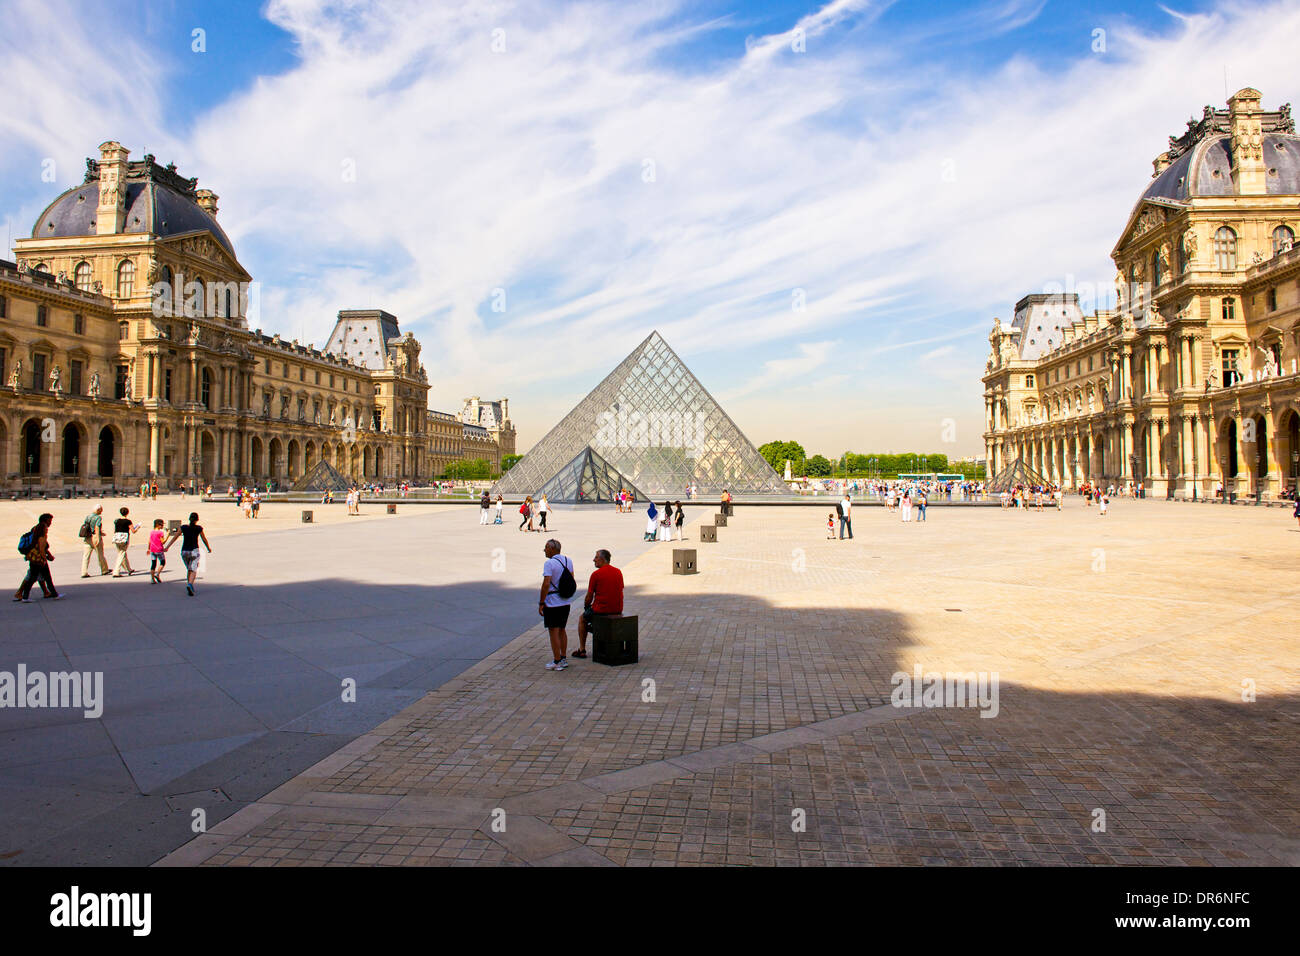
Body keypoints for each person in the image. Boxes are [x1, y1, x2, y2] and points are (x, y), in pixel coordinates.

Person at [574, 549, 623, 659]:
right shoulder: (618, 571)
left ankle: (582, 649)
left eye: (596, 557)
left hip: (601, 609)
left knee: (583, 618)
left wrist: (586, 607)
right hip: (617, 609)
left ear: (602, 559)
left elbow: (589, 596)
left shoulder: (596, 574)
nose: (594, 560)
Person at [538, 538, 574, 670]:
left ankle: (556, 661)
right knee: (562, 630)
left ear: (552, 549)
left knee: (553, 631)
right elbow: (571, 579)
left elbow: (546, 583)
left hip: (552, 602)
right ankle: (563, 658)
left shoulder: (549, 563)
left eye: (546, 547)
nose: (544, 550)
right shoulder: (568, 560)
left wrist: (541, 602)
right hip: (565, 601)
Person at [164, 512, 212, 596]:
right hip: (194, 551)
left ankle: (190, 585)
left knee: (189, 569)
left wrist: (167, 547)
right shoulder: (198, 528)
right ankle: (190, 584)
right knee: (193, 569)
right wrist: (208, 548)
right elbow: (204, 539)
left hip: (184, 551)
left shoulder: (183, 527)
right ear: (197, 520)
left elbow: (175, 537)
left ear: (189, 519)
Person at [14, 513, 58, 602]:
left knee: (40, 577)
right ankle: (24, 595)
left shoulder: (36, 529)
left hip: (34, 558)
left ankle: (52, 593)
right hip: (38, 559)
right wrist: (44, 558)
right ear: (45, 522)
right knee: (33, 577)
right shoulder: (42, 534)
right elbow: (42, 548)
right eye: (50, 521)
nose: (50, 524)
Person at [80, 504, 111, 578]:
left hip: (87, 537)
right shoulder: (98, 518)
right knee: (100, 554)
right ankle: (104, 570)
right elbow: (97, 527)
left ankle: (84, 572)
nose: (102, 511)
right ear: (98, 510)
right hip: (94, 536)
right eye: (101, 510)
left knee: (86, 556)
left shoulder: (88, 516)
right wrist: (98, 537)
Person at [111, 507, 140, 577]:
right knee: (121, 554)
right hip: (124, 538)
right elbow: (133, 531)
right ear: (127, 513)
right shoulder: (128, 521)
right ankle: (116, 571)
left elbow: (115, 530)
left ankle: (128, 569)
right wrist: (138, 527)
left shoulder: (116, 521)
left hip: (117, 537)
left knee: (122, 553)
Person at [147, 519, 167, 583]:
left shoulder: (152, 532)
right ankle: (157, 574)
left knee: (153, 564)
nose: (162, 526)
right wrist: (168, 535)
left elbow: (149, 541)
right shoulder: (160, 533)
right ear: (158, 525)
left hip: (152, 549)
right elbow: (163, 542)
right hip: (159, 550)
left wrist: (148, 549)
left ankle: (152, 579)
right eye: (162, 525)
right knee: (163, 562)